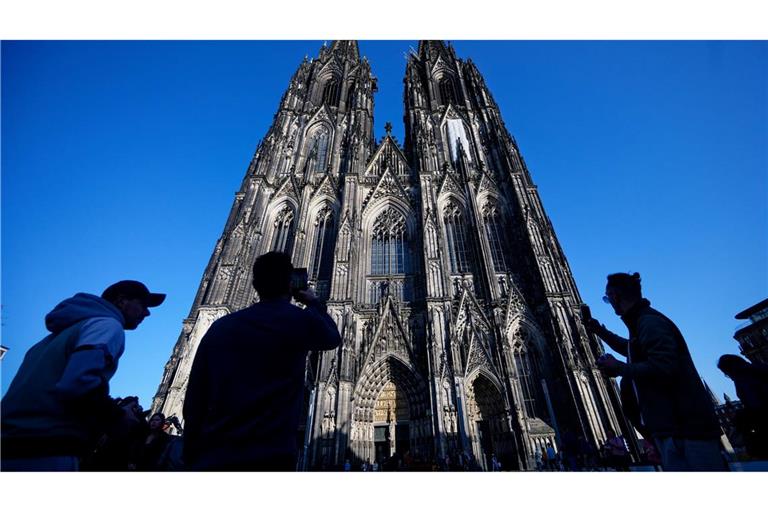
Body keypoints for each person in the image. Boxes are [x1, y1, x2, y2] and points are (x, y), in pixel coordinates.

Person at [182, 251, 342, 471]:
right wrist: (314, 303)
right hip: (271, 453)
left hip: (217, 452)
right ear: (289, 285)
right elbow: (333, 337)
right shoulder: (298, 320)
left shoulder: (220, 327)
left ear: (255, 285)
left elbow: (195, 398)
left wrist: (190, 452)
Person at [1, 280, 165, 471]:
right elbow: (79, 383)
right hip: (47, 448)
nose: (146, 312)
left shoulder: (55, 337)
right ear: (122, 301)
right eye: (143, 304)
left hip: (10, 443)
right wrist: (119, 417)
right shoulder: (107, 326)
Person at [587, 272, 726, 471]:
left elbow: (663, 367)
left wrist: (620, 368)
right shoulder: (642, 322)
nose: (609, 303)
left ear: (616, 297)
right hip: (676, 429)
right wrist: (601, 332)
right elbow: (633, 349)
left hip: (685, 430)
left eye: (608, 299)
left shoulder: (649, 323)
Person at [717, 354, 768, 458]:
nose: (728, 377)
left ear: (730, 369)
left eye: (726, 373)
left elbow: (756, 404)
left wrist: (741, 416)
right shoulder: (759, 368)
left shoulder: (743, 377)